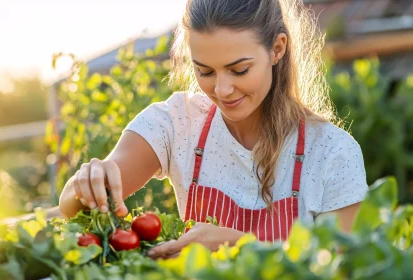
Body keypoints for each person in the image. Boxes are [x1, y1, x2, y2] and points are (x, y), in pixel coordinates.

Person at [58, 0, 369, 259]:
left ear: (277, 49)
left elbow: (338, 269)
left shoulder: (333, 153)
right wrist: (84, 184)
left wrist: (239, 247)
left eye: (239, 70)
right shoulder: (177, 123)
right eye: (204, 71)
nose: (222, 90)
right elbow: (73, 205)